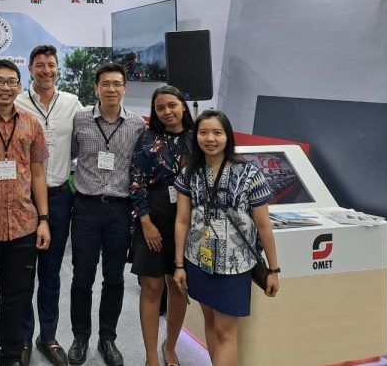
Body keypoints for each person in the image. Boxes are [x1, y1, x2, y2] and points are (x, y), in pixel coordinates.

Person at [0, 45, 83, 366]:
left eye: (11, 82)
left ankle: (16, 353)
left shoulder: (35, 122)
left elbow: (37, 173)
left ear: (19, 85)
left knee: (20, 294)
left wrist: (43, 219)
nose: (5, 87)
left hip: (26, 223)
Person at [173, 110, 280, 366]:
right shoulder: (189, 173)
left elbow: (263, 225)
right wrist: (179, 265)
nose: (210, 138)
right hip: (199, 261)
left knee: (226, 331)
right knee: (210, 323)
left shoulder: (249, 173)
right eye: (203, 132)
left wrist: (273, 269)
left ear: (227, 137)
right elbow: (182, 220)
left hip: (235, 266)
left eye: (217, 133)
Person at [68, 62, 145, 366]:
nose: (111, 89)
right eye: (105, 84)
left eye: (117, 84)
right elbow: (69, 154)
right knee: (82, 277)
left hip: (119, 209)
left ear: (124, 89)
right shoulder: (80, 119)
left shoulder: (137, 124)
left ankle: (107, 338)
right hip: (85, 207)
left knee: (114, 277)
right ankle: (80, 337)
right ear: (96, 88)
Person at [129, 86, 193, 366]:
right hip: (152, 220)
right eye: (160, 108)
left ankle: (170, 346)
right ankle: (151, 356)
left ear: (182, 106)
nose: (167, 112)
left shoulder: (197, 138)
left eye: (172, 105)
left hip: (188, 222)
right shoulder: (147, 139)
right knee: (152, 286)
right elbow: (135, 182)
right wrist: (145, 222)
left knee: (178, 286)